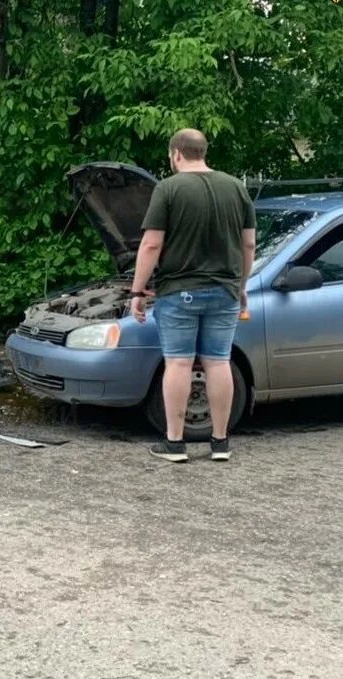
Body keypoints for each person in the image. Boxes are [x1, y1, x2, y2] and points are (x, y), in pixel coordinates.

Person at [130, 128, 256, 463]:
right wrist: (241, 285)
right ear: (203, 151)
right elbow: (248, 244)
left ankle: (175, 444)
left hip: (179, 292)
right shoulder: (236, 187)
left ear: (176, 154)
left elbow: (151, 244)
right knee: (218, 361)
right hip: (225, 291)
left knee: (179, 363)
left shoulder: (168, 188)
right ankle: (220, 442)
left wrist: (137, 290)